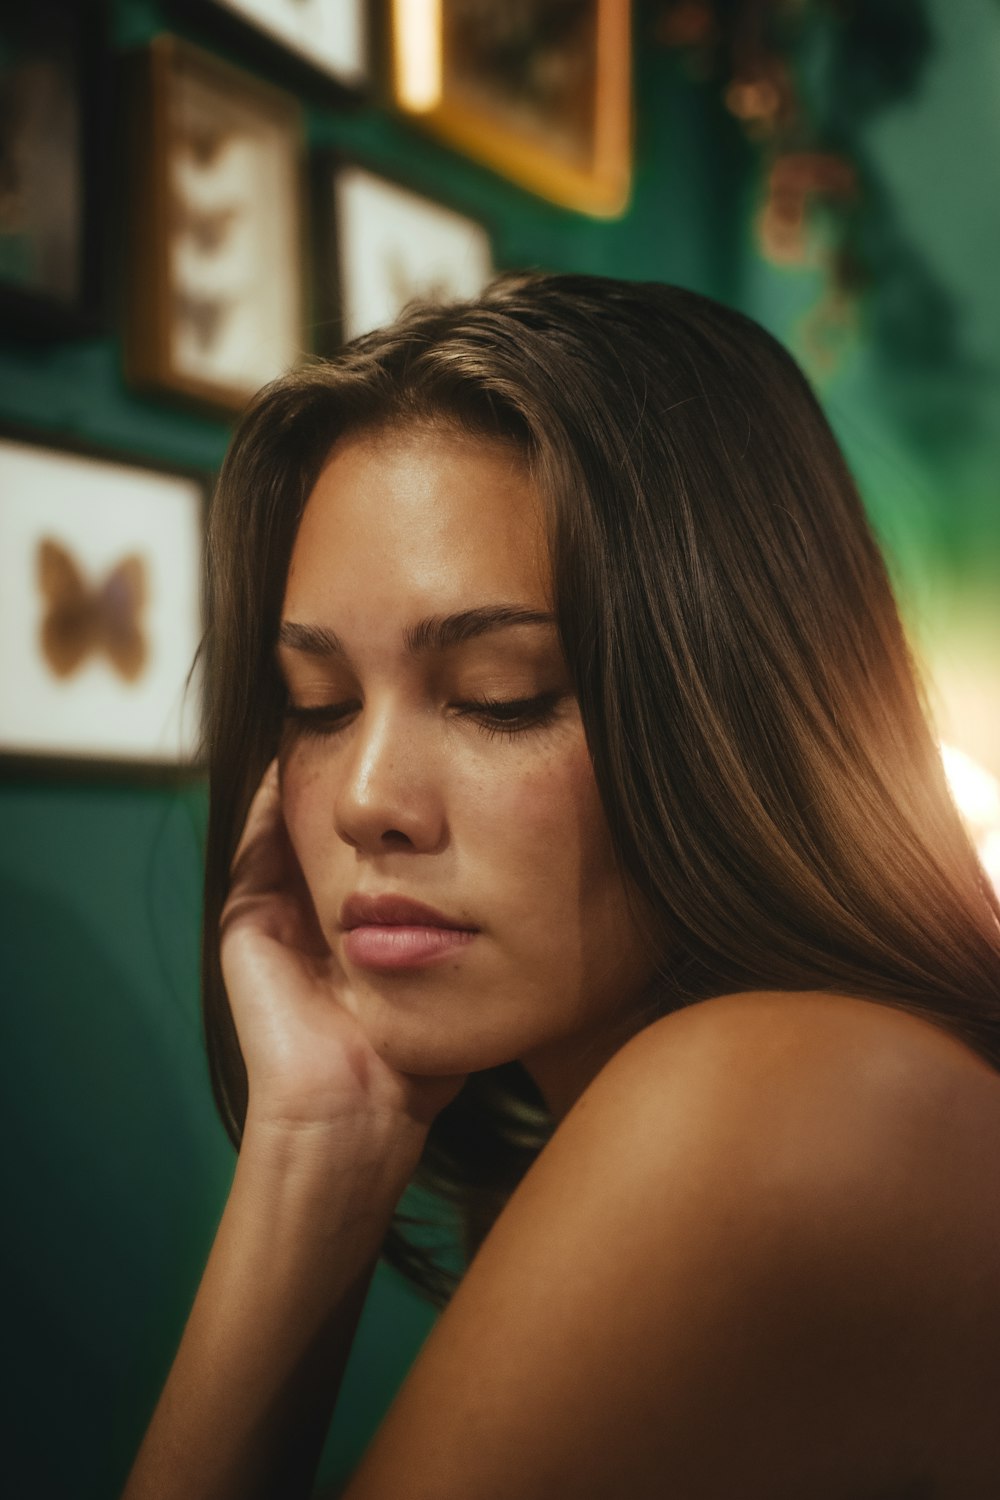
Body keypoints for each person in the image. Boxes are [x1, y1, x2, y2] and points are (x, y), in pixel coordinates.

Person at [124, 273, 1000, 1500]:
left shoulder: (771, 1100)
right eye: (317, 705)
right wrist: (317, 1142)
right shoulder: (618, 1130)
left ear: (732, 714)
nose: (367, 796)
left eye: (499, 693)